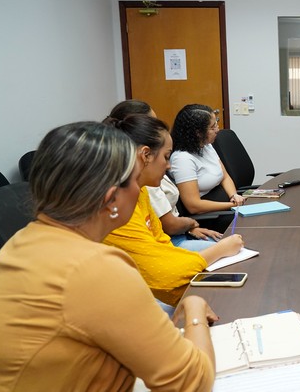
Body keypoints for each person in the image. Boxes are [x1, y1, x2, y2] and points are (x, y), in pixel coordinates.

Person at [0, 122, 217, 391]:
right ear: (112, 199)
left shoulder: (19, 242)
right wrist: (194, 308)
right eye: (136, 181)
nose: (140, 189)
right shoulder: (96, 268)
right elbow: (192, 382)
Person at [103, 114, 244, 306]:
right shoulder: (118, 205)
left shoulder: (140, 192)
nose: (169, 165)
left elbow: (162, 244)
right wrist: (219, 250)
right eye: (166, 157)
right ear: (145, 155)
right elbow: (163, 273)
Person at [107, 99, 222, 251]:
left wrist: (189, 228)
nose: (169, 166)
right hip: (171, 240)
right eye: (152, 124)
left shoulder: (143, 185)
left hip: (175, 235)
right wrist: (191, 224)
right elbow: (166, 231)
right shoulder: (143, 184)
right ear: (145, 153)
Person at [170, 104, 245, 217]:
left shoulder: (205, 145)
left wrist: (234, 196)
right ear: (198, 133)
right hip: (211, 215)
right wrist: (231, 205)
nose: (217, 129)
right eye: (213, 127)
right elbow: (194, 206)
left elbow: (224, 176)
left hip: (226, 205)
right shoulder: (182, 159)